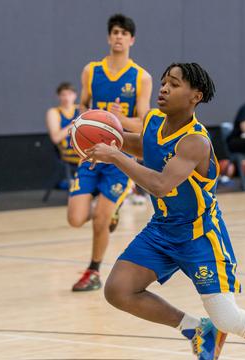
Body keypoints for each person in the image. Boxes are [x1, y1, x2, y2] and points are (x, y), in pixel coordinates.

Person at [86, 63, 245, 360]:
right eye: (163, 82)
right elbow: (143, 145)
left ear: (195, 96)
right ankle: (197, 328)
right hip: (162, 229)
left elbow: (160, 185)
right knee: (118, 290)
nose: (163, 88)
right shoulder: (152, 121)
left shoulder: (195, 142)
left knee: (228, 316)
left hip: (200, 234)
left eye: (174, 84)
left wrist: (116, 156)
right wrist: (106, 138)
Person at [69, 14, 152, 291]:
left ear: (132, 40)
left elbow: (143, 123)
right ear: (109, 37)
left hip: (120, 156)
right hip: (92, 153)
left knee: (100, 220)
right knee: (76, 219)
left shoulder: (141, 77)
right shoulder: (91, 71)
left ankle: (93, 271)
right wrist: (80, 124)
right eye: (115, 32)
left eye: (124, 33)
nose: (119, 37)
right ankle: (112, 208)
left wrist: (118, 120)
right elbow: (82, 108)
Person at [46, 82, 80, 164]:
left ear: (75, 95)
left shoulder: (82, 109)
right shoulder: (54, 112)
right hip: (67, 158)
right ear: (58, 96)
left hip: (86, 156)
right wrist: (76, 124)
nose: (67, 98)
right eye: (63, 95)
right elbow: (55, 138)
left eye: (69, 94)